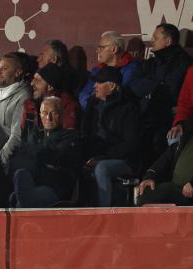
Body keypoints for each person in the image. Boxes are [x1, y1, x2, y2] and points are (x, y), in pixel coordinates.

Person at [129, 24, 191, 167]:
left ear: (168, 41)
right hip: (144, 117)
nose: (152, 41)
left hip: (167, 120)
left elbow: (171, 90)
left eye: (156, 38)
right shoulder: (151, 62)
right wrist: (156, 86)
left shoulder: (183, 62)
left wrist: (150, 87)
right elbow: (134, 83)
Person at [80, 66, 140, 207]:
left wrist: (101, 157)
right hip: (95, 156)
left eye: (99, 82)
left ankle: (104, 215)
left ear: (112, 85)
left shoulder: (128, 107)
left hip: (123, 160)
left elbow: (130, 144)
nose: (94, 86)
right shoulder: (92, 104)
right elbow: (85, 134)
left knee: (101, 168)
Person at [10, 97, 82, 208]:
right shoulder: (34, 136)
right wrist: (43, 157)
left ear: (62, 115)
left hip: (55, 188)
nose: (49, 118)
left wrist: (35, 154)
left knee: (22, 199)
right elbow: (18, 160)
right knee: (20, 176)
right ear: (39, 115)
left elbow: (56, 158)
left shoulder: (71, 136)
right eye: (44, 113)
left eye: (54, 113)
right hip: (33, 184)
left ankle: (23, 221)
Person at [0, 52, 32, 170]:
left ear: (18, 72)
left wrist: (0, 161)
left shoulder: (23, 96)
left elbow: (17, 135)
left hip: (7, 164)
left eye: (4, 68)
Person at [136, 118, 193, 206]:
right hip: (177, 189)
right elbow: (165, 159)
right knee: (143, 194)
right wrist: (150, 177)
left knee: (166, 190)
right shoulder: (186, 137)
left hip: (188, 191)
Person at [78, 31, 140, 110]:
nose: (97, 51)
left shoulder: (131, 70)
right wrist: (93, 107)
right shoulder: (97, 70)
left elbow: (118, 96)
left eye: (101, 47)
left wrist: (96, 104)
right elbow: (83, 94)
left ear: (114, 49)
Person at [19, 64, 80, 133]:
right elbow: (24, 137)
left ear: (50, 86)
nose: (32, 83)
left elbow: (66, 137)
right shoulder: (30, 105)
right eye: (33, 79)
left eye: (38, 80)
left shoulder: (67, 106)